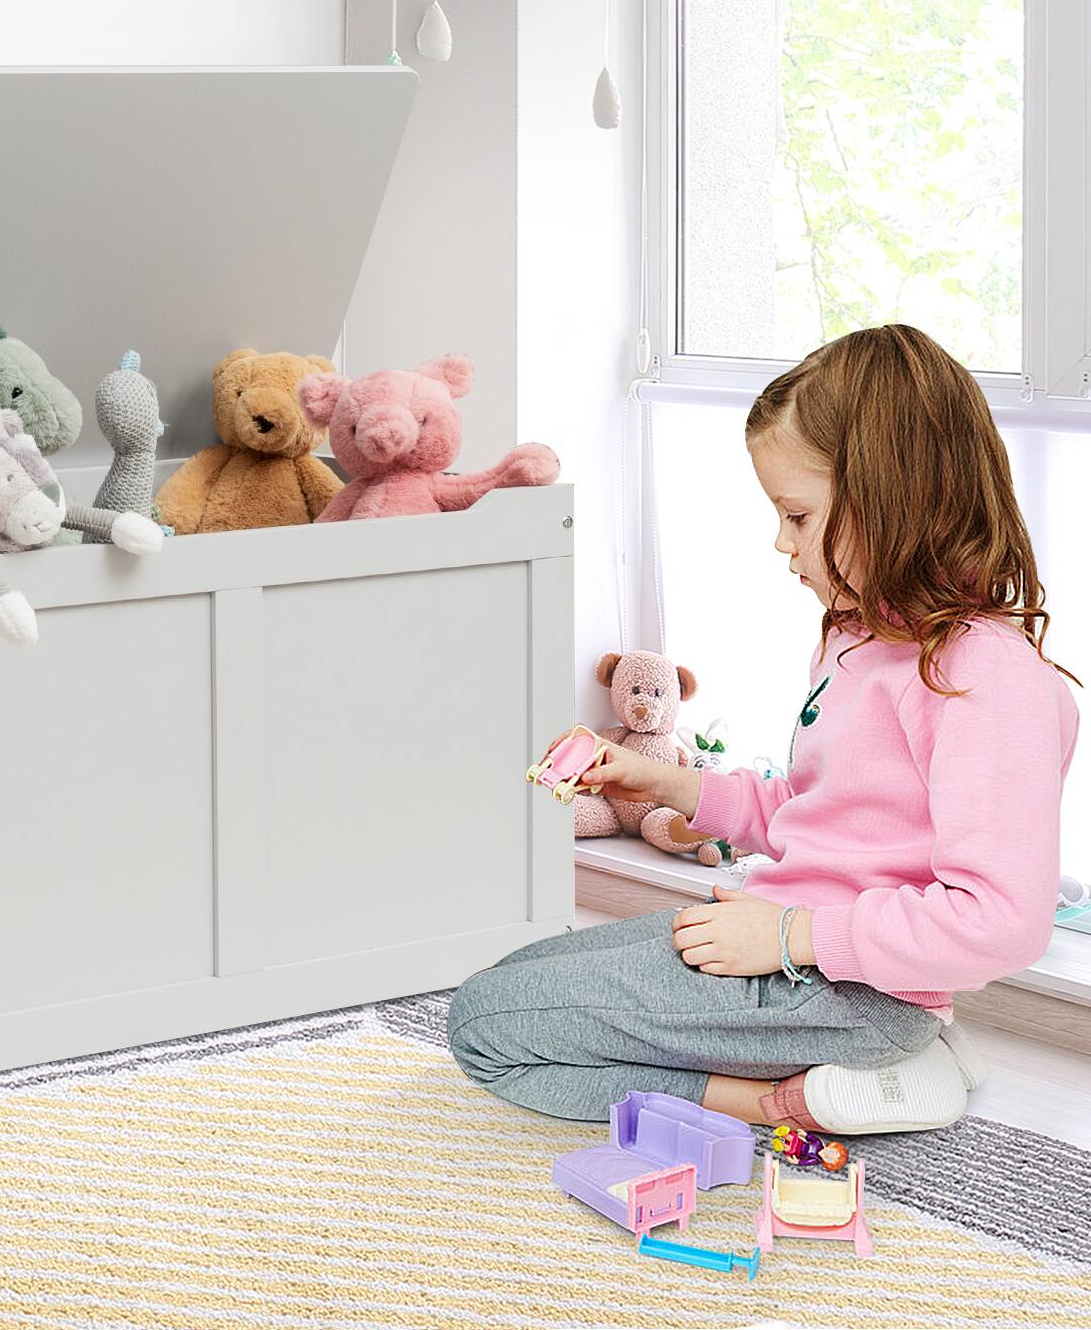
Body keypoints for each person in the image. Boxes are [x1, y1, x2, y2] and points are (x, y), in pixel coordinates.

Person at [448, 325, 1078, 1133]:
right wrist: (663, 781)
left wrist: (787, 934)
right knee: (520, 977)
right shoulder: (862, 636)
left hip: (835, 986)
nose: (781, 544)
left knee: (485, 1028)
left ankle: (792, 1099)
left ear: (895, 496)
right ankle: (898, 1056)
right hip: (794, 953)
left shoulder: (984, 677)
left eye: (797, 515)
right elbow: (819, 814)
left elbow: (1002, 918)